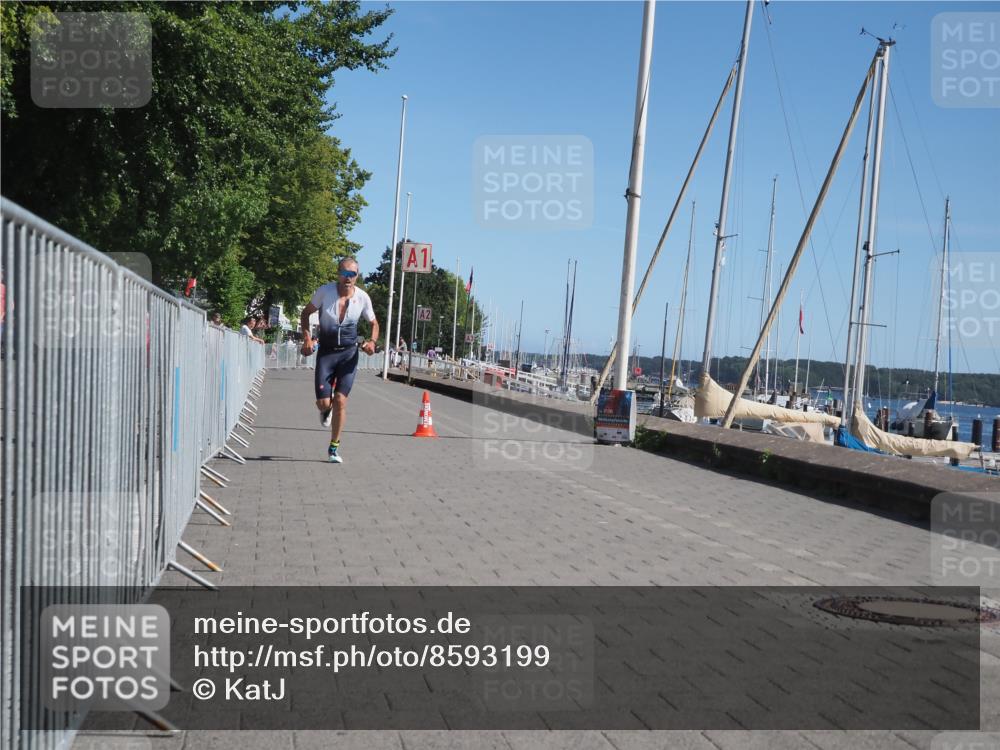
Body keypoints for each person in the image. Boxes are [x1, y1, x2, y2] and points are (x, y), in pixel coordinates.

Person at [299, 257, 379, 463]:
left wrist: (371, 342)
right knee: (324, 403)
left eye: (352, 274)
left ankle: (333, 448)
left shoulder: (362, 298)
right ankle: (326, 411)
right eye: (344, 273)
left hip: (348, 355)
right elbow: (305, 314)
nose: (348, 278)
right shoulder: (324, 292)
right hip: (326, 353)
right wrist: (307, 338)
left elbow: (374, 323)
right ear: (338, 274)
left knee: (341, 401)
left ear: (357, 276)